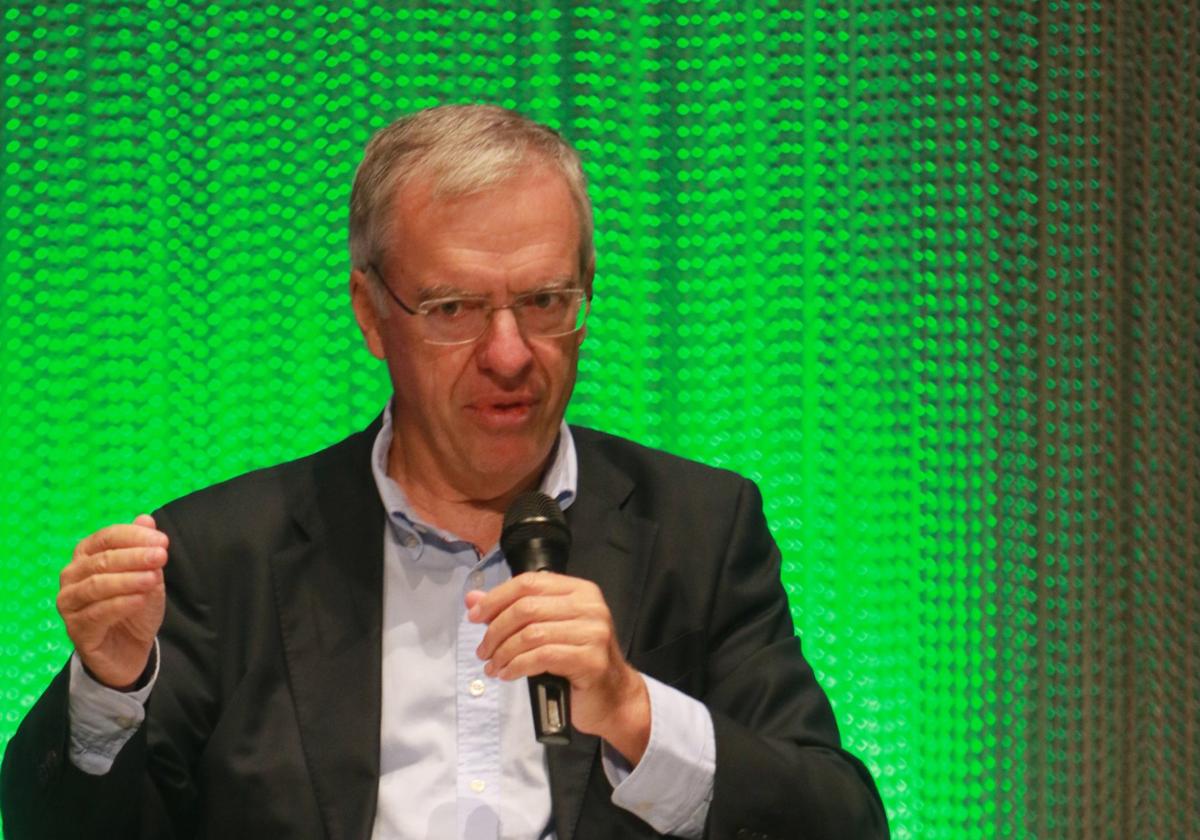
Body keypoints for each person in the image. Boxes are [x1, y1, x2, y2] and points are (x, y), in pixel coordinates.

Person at [1, 104, 888, 839]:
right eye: (453, 308)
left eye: (545, 302)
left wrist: (635, 712)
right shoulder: (224, 551)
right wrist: (107, 693)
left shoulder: (701, 528)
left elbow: (842, 820)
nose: (510, 356)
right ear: (371, 314)